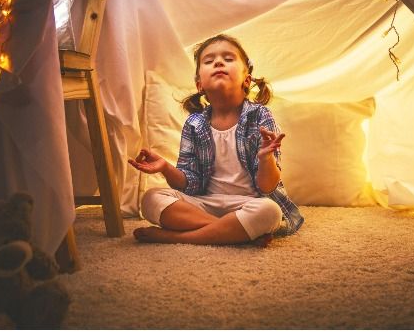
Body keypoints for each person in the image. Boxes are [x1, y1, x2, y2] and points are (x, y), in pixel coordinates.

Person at [128, 34, 303, 246]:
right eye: (209, 61)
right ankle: (233, 232)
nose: (218, 62)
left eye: (228, 59)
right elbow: (190, 186)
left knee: (269, 212)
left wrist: (266, 159)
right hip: (204, 203)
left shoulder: (260, 115)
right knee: (151, 199)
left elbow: (267, 187)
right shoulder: (194, 123)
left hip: (249, 203)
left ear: (246, 80)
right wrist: (165, 167)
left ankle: (177, 237)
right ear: (199, 84)